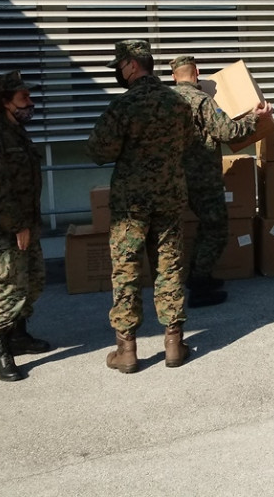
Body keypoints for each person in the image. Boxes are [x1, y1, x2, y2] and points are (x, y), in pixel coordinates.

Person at [88, 40, 196, 373]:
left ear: (133, 65)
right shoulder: (178, 103)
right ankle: (174, 343)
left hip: (130, 207)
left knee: (127, 271)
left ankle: (127, 350)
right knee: (169, 267)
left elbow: (98, 151)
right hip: (168, 199)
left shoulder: (123, 106)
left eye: (120, 66)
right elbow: (188, 142)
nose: (119, 73)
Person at [170, 55, 273, 308]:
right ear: (197, 71)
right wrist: (255, 118)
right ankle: (200, 284)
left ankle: (193, 279)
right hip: (201, 177)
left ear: (173, 76)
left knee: (178, 231)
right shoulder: (203, 100)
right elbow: (228, 132)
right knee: (215, 228)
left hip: (171, 177)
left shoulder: (165, 100)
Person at [0, 70, 50, 382]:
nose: (30, 102)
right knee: (8, 288)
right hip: (0, 230)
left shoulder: (18, 134)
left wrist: (26, 224)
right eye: (24, 98)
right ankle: (2, 352)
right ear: (5, 103)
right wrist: (17, 226)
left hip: (25, 225)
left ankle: (19, 335)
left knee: (33, 281)